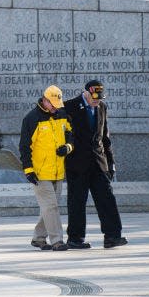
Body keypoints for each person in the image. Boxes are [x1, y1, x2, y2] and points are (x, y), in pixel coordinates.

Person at [63, 80, 127, 249]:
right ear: (85, 93)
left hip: (99, 163)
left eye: (99, 98)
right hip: (77, 163)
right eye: (94, 98)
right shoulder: (69, 107)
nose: (96, 101)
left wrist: (111, 163)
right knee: (77, 202)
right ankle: (75, 238)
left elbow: (105, 139)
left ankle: (112, 236)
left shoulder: (102, 107)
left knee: (107, 199)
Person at [19, 86, 72, 252]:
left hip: (58, 171)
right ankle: (57, 240)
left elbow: (72, 134)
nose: (56, 107)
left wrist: (68, 147)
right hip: (40, 172)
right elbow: (24, 147)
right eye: (53, 103)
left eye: (57, 103)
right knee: (51, 207)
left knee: (49, 207)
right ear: (45, 100)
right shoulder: (31, 118)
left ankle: (39, 238)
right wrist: (28, 170)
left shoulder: (62, 114)